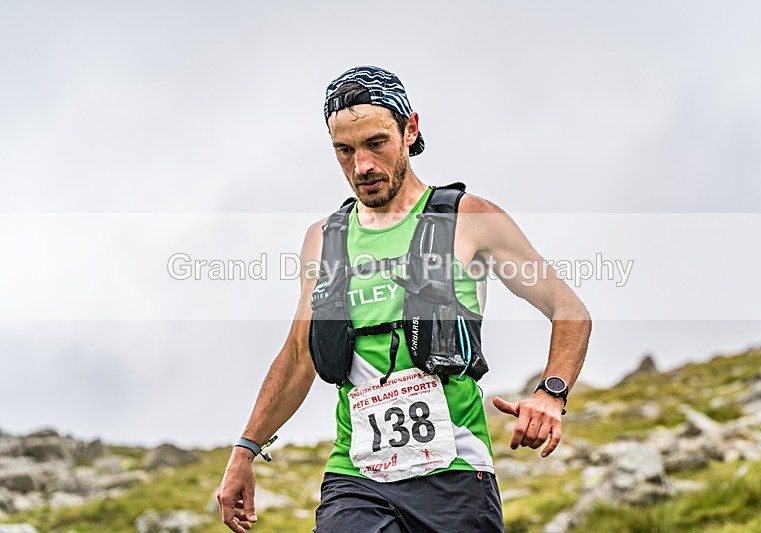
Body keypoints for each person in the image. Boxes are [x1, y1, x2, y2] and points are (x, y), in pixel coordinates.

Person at [217, 65, 592, 532]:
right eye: (345, 150)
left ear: (410, 129)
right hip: (356, 478)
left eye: (376, 144)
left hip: (455, 473)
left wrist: (551, 394)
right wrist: (245, 450)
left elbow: (568, 309)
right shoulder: (323, 239)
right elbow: (298, 357)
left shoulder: (468, 219)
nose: (362, 166)